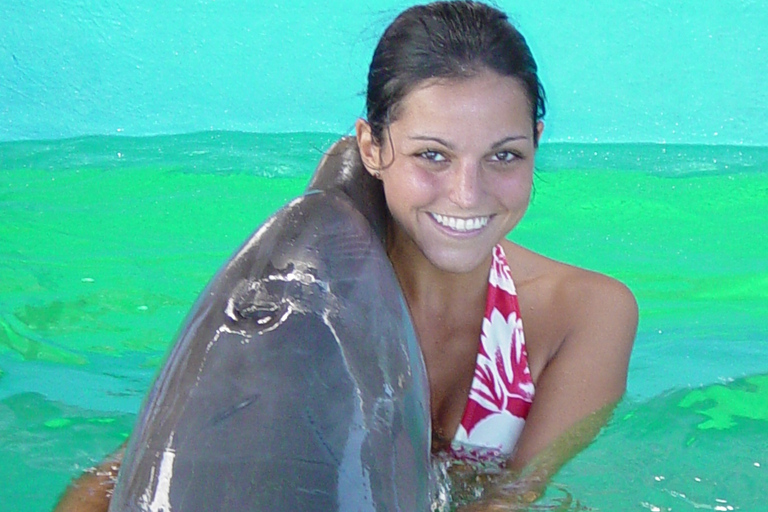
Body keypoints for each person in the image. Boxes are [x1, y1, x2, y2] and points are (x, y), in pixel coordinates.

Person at [55, 1, 637, 510]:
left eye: (504, 156)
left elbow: (512, 498)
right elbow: (147, 461)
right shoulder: (315, 301)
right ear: (371, 147)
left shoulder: (586, 315)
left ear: (536, 142)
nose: (467, 193)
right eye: (432, 155)